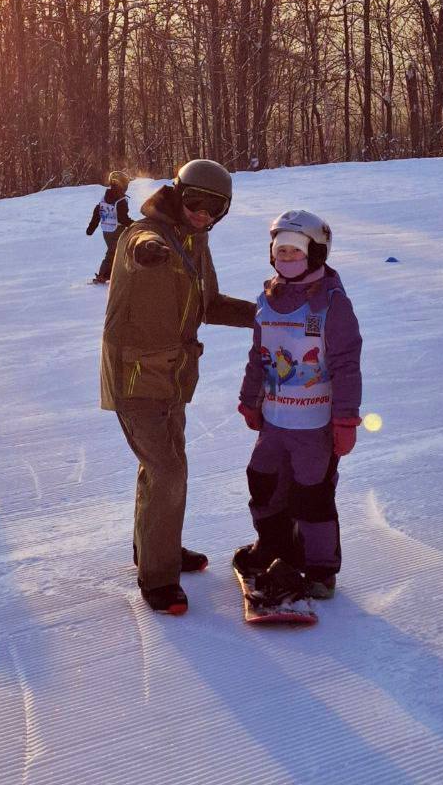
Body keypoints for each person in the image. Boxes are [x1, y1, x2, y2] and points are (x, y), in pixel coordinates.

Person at [99, 159, 256, 615]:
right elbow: (137, 247)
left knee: (167, 466)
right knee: (166, 470)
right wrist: (151, 251)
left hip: (171, 375)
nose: (202, 213)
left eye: (214, 209)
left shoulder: (195, 241)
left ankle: (158, 548)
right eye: (195, 202)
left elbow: (208, 304)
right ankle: (158, 577)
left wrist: (265, 316)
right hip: (135, 375)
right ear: (177, 193)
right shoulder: (143, 234)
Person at [235, 210, 362, 600]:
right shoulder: (267, 300)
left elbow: (345, 364)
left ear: (317, 253)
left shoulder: (331, 304)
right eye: (280, 251)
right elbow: (258, 355)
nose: (286, 259)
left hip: (314, 424)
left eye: (296, 251)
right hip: (275, 419)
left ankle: (320, 567)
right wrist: (249, 399)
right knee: (263, 480)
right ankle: (274, 546)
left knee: (312, 495)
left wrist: (345, 420)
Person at [85, 170, 134, 283]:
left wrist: (91, 228)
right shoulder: (121, 200)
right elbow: (123, 218)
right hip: (117, 229)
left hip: (106, 230)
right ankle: (104, 274)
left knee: (115, 250)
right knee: (115, 251)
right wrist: (134, 225)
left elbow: (98, 211)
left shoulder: (105, 197)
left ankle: (111, 273)